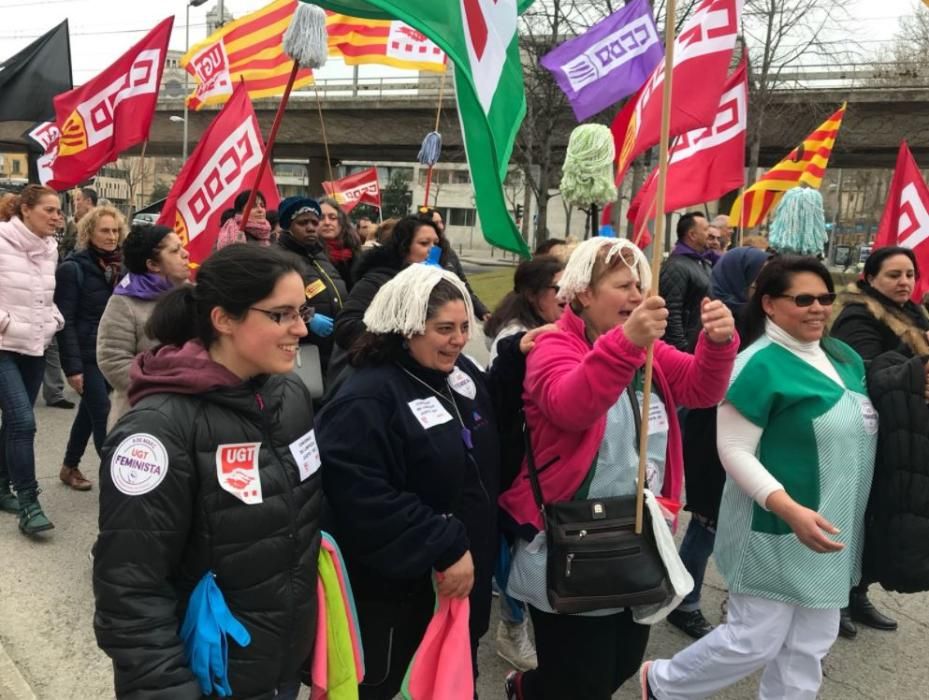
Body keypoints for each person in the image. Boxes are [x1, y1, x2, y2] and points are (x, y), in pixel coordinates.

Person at [500, 237, 738, 700]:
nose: (637, 295)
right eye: (624, 285)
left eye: (641, 285)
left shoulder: (645, 348)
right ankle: (532, 688)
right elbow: (571, 407)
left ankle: (529, 689)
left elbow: (700, 390)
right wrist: (626, 344)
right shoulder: (555, 345)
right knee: (582, 679)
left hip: (638, 528)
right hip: (571, 534)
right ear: (584, 293)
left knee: (624, 662)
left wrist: (718, 342)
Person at [643, 256, 877, 700]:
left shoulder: (843, 356)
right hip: (773, 524)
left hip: (833, 523)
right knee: (754, 639)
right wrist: (789, 509)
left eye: (825, 298)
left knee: (810, 643)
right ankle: (661, 683)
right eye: (803, 299)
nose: (818, 308)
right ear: (769, 304)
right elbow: (733, 451)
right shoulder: (756, 364)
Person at [94, 245, 321, 699]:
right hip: (203, 678)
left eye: (303, 312)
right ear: (223, 320)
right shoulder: (156, 431)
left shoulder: (289, 394)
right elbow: (130, 591)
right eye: (282, 315)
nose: (301, 328)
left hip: (279, 668)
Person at [317, 264, 536, 699]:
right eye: (444, 329)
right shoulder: (368, 394)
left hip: (459, 589)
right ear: (406, 327)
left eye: (462, 327)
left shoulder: (458, 375)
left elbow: (488, 438)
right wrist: (443, 542)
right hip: (399, 599)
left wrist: (511, 366)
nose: (458, 339)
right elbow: (357, 492)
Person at [667, 247, 770, 639]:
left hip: (747, 436)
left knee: (731, 520)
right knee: (707, 523)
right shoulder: (721, 318)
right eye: (757, 279)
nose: (763, 287)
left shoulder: (760, 319)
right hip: (712, 435)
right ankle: (685, 601)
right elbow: (705, 380)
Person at [829, 245, 927, 638]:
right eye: (893, 275)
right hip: (869, 429)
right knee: (858, 517)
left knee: (885, 515)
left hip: (904, 433)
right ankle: (834, 596)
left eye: (909, 274)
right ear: (870, 279)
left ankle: (858, 590)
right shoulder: (858, 314)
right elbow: (864, 372)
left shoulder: (915, 314)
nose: (904, 282)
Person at [483, 254, 565, 672]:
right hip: (514, 455)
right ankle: (512, 626)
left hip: (538, 455)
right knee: (513, 543)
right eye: (558, 290)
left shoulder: (551, 326)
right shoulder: (516, 338)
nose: (567, 296)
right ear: (534, 295)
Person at [0, 185, 65, 533]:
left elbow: (44, 295)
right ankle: (29, 503)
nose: (57, 217)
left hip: (36, 346)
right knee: (24, 423)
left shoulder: (50, 248)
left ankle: (0, 486)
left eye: (59, 211)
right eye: (50, 210)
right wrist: (6, 323)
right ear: (25, 209)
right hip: (2, 347)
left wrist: (53, 320)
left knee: (12, 423)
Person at [55, 205, 127, 492]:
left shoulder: (123, 267)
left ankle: (69, 466)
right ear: (89, 233)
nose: (111, 236)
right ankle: (118, 484)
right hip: (87, 356)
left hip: (113, 353)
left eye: (115, 230)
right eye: (105, 230)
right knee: (104, 415)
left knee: (89, 411)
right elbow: (65, 320)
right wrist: (71, 368)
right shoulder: (72, 269)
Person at [96, 224, 190, 430]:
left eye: (181, 247)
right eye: (175, 251)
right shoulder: (125, 301)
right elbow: (112, 359)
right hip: (142, 415)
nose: (186, 254)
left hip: (191, 412)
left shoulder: (194, 295)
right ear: (153, 264)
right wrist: (158, 387)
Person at [331, 216, 439, 366]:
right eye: (424, 243)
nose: (433, 250)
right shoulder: (377, 281)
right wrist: (398, 334)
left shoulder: (432, 282)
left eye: (436, 243)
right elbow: (345, 328)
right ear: (404, 247)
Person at [276, 196, 348, 373]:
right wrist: (308, 318)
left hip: (334, 348)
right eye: (303, 223)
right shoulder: (278, 257)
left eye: (314, 223)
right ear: (288, 226)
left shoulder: (320, 255)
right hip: (303, 349)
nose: (310, 228)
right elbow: (275, 302)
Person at [416, 206, 491, 320]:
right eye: (436, 223)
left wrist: (481, 310)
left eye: (442, 222)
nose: (441, 226)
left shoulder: (449, 253)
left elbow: (463, 285)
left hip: (449, 315)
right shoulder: (415, 256)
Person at [659, 213, 713, 351]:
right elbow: (671, 311)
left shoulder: (701, 262)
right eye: (706, 229)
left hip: (696, 342)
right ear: (692, 235)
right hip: (684, 348)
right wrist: (682, 348)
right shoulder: (676, 266)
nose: (710, 233)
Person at [319, 197, 361, 286]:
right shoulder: (308, 254)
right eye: (321, 218)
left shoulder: (355, 253)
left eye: (332, 218)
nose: (327, 222)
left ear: (341, 222)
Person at [60, 186, 97, 259]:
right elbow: (63, 247)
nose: (74, 203)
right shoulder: (71, 224)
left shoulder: (101, 223)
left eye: (77, 200)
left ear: (88, 201)